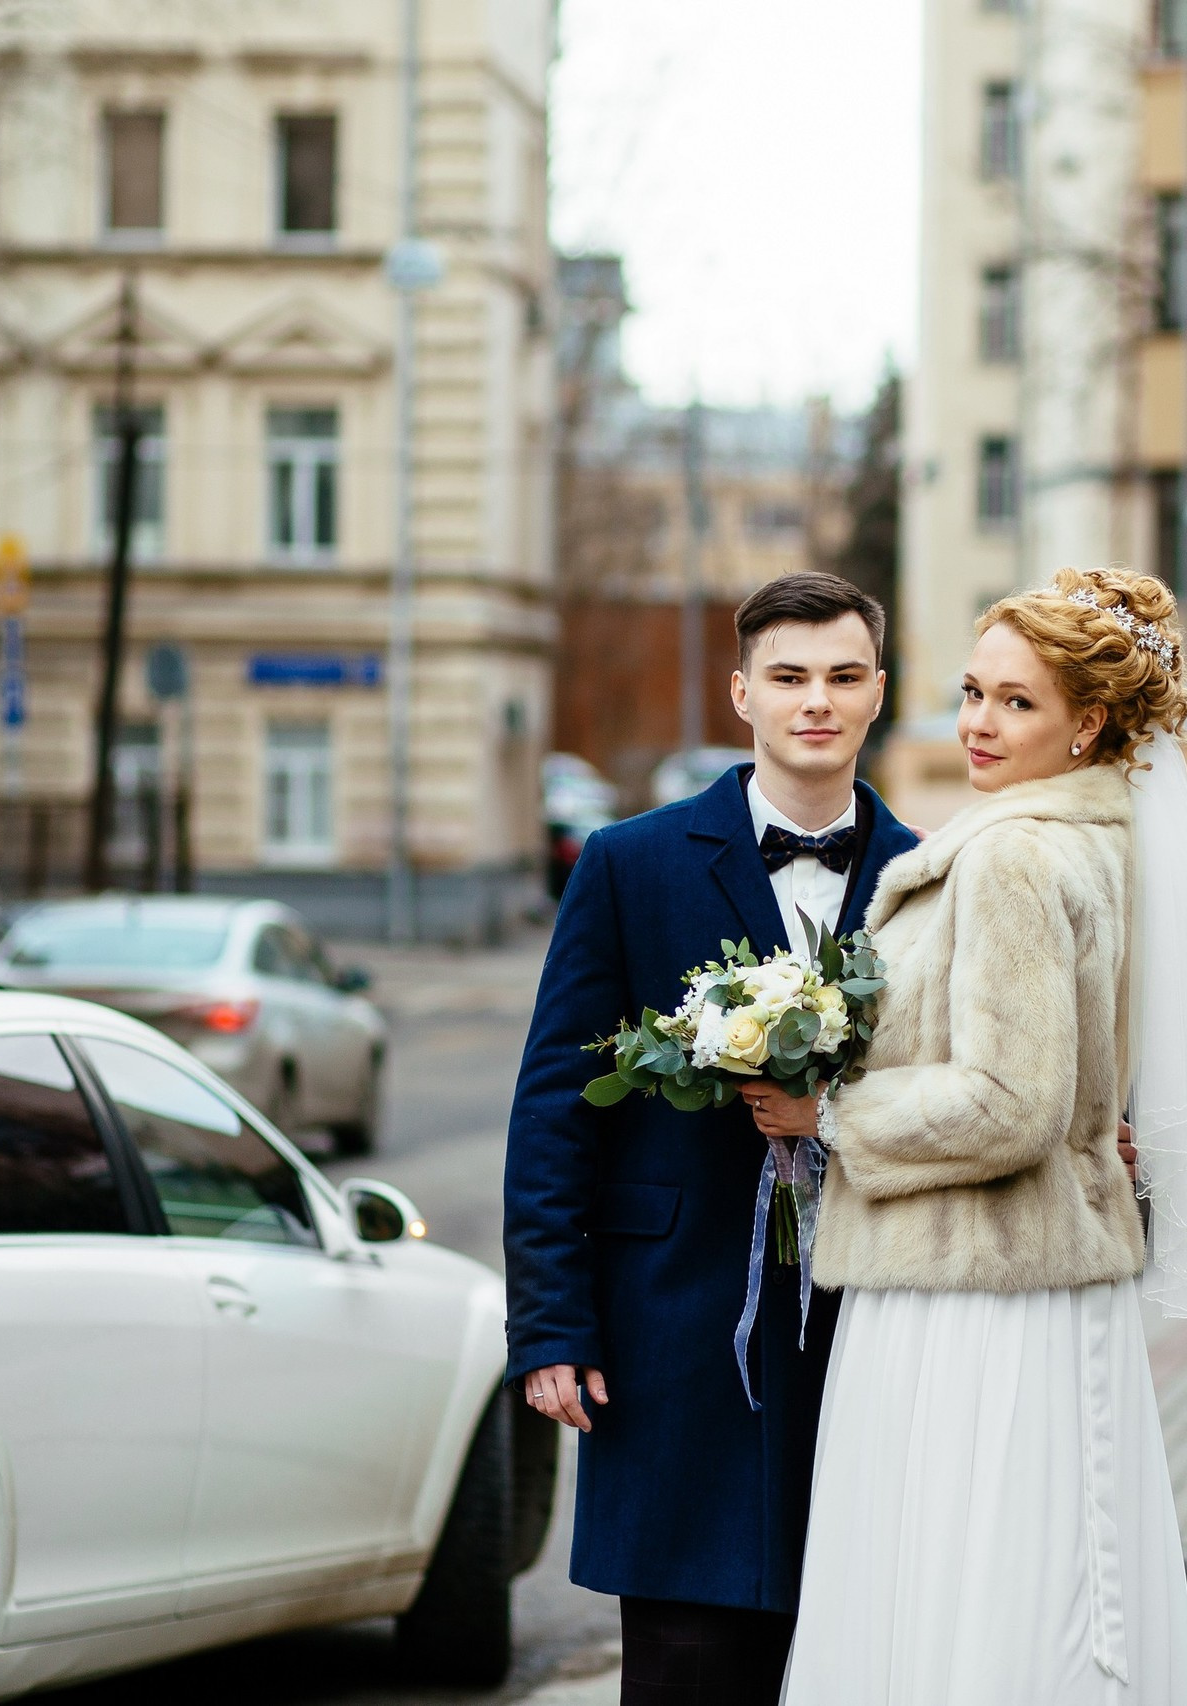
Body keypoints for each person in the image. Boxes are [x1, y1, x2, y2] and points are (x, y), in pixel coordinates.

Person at [744, 565, 1187, 1706]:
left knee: (960, 1582)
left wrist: (827, 1111)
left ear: (1089, 722)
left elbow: (1009, 1101)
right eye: (972, 692)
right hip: (1040, 1284)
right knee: (1051, 1579)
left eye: (1016, 702)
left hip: (966, 1291)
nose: (978, 723)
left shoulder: (1013, 855)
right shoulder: (1105, 842)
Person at [500, 572, 920, 1706]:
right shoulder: (629, 863)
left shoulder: (930, 879)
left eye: (841, 676)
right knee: (687, 1666)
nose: (814, 702)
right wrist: (550, 1325)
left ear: (878, 690)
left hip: (869, 1331)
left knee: (854, 1660)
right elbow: (554, 1101)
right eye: (788, 677)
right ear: (743, 693)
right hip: (673, 1336)